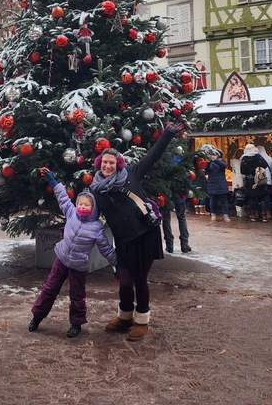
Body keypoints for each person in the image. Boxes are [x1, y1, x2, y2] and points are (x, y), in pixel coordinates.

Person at [90, 123, 179, 342]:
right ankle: (125, 317)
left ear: (118, 164)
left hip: (145, 235)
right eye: (104, 162)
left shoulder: (132, 174)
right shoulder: (96, 189)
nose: (108, 166)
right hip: (124, 241)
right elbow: (88, 215)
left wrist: (167, 134)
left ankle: (141, 321)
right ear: (99, 164)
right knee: (124, 280)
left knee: (140, 279)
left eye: (111, 162)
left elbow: (152, 156)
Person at [29, 168, 116, 338]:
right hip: (61, 259)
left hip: (78, 266)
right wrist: (53, 181)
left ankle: (76, 324)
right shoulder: (71, 213)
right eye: (80, 204)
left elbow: (106, 248)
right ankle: (37, 317)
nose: (82, 207)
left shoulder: (97, 228)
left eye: (86, 205)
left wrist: (116, 263)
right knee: (49, 288)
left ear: (93, 208)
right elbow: (62, 196)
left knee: (77, 295)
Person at [240, 143, 269, 222]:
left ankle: (253, 215)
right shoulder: (259, 157)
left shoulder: (244, 158)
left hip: (250, 181)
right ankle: (264, 216)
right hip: (260, 180)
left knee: (252, 198)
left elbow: (242, 171)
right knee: (262, 198)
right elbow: (265, 166)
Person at [205, 152, 230, 222]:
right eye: (212, 155)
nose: (213, 156)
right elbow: (206, 169)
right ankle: (213, 215)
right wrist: (209, 162)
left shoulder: (221, 161)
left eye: (214, 155)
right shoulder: (209, 163)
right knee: (212, 200)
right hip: (212, 183)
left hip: (221, 183)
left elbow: (223, 166)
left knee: (224, 201)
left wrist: (215, 160)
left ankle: (226, 215)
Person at [256, 144, 272, 221]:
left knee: (258, 197)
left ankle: (259, 213)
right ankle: (268, 213)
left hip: (259, 181)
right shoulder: (269, 159)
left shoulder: (256, 159)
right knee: (267, 197)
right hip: (268, 180)